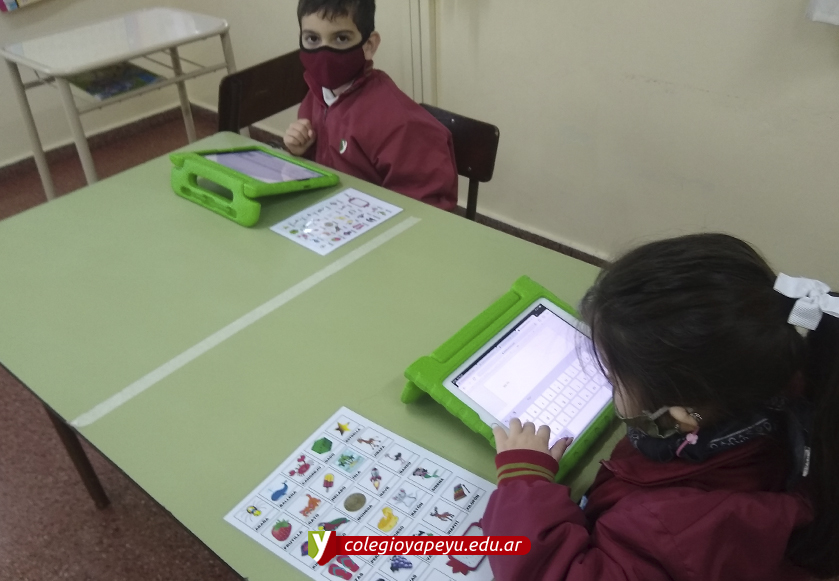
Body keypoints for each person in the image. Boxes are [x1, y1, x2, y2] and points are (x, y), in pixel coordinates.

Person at [482, 233, 839, 581]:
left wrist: (523, 480)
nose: (610, 389)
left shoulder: (670, 526)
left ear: (679, 416)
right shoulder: (767, 386)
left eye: (615, 380)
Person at [284, 0, 458, 211]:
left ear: (369, 45)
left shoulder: (397, 119)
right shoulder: (315, 96)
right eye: (312, 38)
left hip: (375, 223)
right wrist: (300, 151)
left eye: (341, 38)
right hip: (330, 214)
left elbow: (428, 207)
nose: (324, 53)